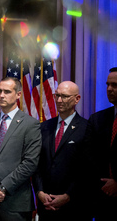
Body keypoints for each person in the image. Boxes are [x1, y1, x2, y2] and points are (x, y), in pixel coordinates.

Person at [0, 77, 41, 221]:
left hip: (16, 202)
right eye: (0, 91)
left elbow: (30, 163)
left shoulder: (30, 124)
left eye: (7, 91)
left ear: (18, 94)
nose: (2, 95)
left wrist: (3, 187)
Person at [32, 81, 89, 221]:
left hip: (73, 207)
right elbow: (37, 164)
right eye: (56, 95)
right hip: (46, 205)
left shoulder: (86, 128)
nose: (58, 100)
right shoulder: (44, 127)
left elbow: (86, 169)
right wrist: (39, 192)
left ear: (77, 99)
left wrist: (68, 195)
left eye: (64, 96)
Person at [86, 67, 117, 220]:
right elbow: (90, 156)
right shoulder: (97, 119)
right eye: (107, 85)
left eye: (115, 85)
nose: (109, 89)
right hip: (102, 199)